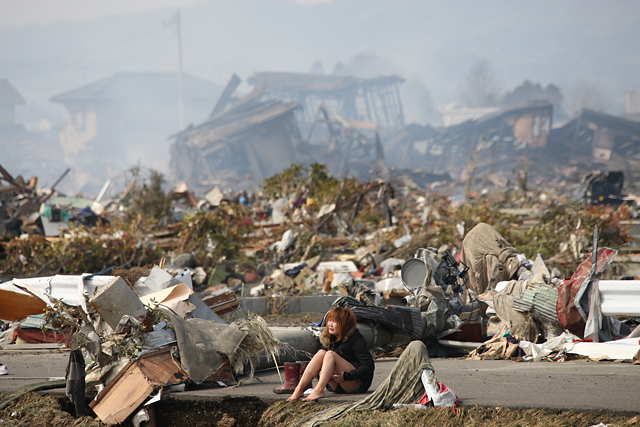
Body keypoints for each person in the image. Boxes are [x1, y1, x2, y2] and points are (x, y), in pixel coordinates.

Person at [287, 307, 375, 402]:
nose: (330, 324)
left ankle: (319, 390)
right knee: (321, 353)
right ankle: (299, 389)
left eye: (335, 321)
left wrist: (347, 376)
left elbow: (368, 366)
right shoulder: (329, 339)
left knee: (330, 354)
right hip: (335, 386)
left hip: (355, 384)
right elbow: (317, 366)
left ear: (344, 324)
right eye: (329, 321)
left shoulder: (356, 339)